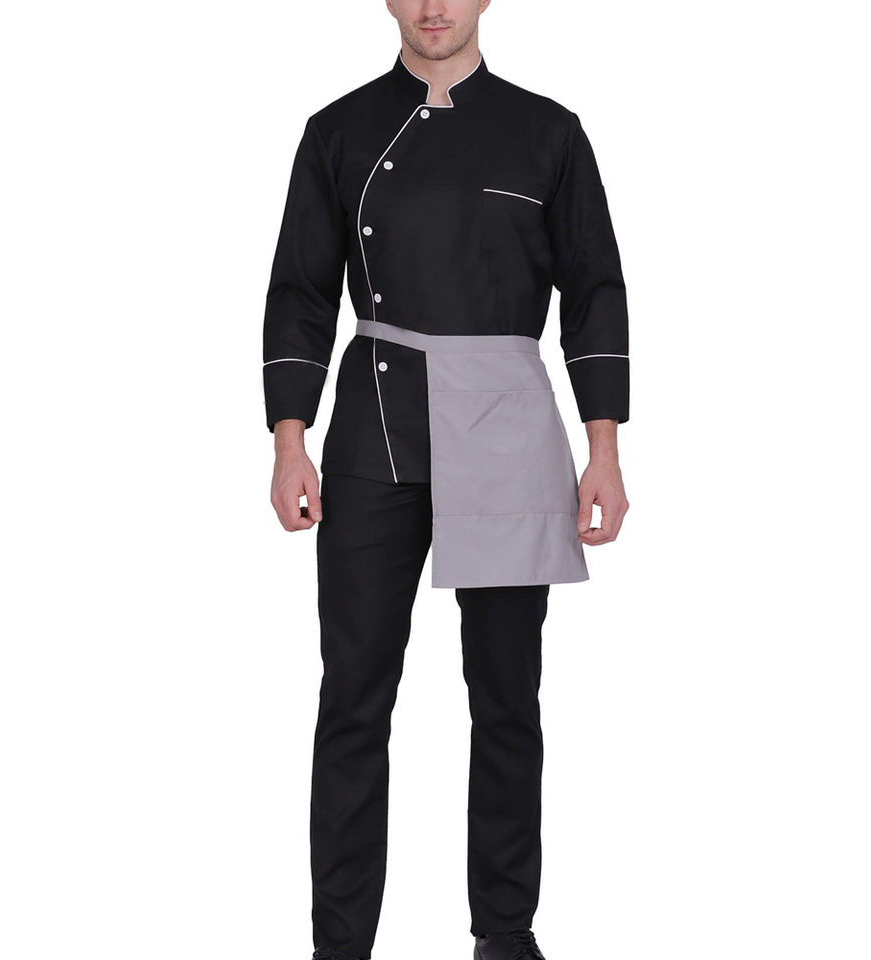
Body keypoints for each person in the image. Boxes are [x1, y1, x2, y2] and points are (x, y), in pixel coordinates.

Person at [261, 2, 630, 957]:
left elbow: (594, 290)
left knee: (507, 698)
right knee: (354, 700)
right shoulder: (338, 132)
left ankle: (505, 934)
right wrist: (291, 440)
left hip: (507, 434)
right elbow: (301, 290)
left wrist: (604, 450)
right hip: (374, 433)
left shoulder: (549, 132)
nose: (434, 7)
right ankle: (340, 945)